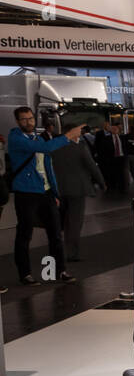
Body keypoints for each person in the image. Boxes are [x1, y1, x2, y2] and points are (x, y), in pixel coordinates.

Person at [7, 107, 80, 285]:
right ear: (17, 121)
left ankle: (60, 270)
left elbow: (48, 167)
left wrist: (54, 192)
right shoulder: (16, 138)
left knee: (55, 233)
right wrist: (68, 136)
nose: (29, 122)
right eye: (24, 119)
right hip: (26, 192)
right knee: (25, 234)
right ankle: (25, 274)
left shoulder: (37, 137)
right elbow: (44, 148)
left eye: (31, 118)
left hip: (45, 192)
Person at [46, 117, 106, 262]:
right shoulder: (80, 147)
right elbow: (92, 166)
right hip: (77, 190)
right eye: (78, 131)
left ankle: (57, 250)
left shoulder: (53, 146)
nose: (80, 134)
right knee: (74, 222)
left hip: (57, 189)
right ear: (71, 133)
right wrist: (102, 183)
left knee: (59, 222)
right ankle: (71, 253)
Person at [93, 121, 128, 194]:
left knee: (121, 173)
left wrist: (125, 156)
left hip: (121, 158)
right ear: (111, 130)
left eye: (116, 129)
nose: (115, 130)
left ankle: (122, 187)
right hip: (111, 158)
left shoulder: (122, 138)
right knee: (112, 173)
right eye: (113, 129)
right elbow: (102, 149)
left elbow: (125, 148)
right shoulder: (106, 139)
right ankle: (112, 186)